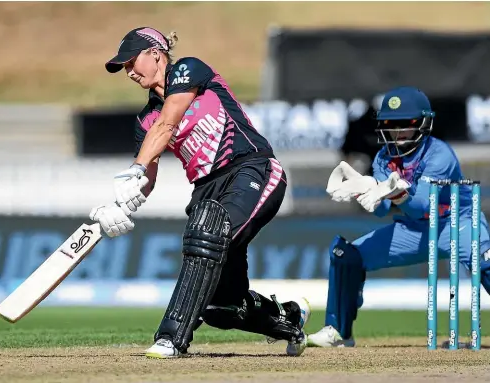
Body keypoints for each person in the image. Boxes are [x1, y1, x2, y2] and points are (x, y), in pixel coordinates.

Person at [88, 27, 311, 358]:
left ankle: (171, 338)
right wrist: (122, 204)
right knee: (219, 306)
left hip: (251, 170)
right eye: (125, 68)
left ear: (155, 53)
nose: (130, 72)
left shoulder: (189, 70)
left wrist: (134, 169)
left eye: (133, 62)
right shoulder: (145, 119)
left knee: (206, 237)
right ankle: (287, 317)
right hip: (208, 192)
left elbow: (168, 124)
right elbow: (147, 179)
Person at [310, 86, 490, 347]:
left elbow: (419, 204)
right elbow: (382, 210)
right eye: (390, 124)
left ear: (423, 123)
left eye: (406, 123)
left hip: (457, 224)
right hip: (414, 231)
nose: (397, 131)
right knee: (346, 255)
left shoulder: (439, 154)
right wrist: (367, 189)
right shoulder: (384, 157)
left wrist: (391, 192)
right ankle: (338, 333)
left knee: (487, 264)